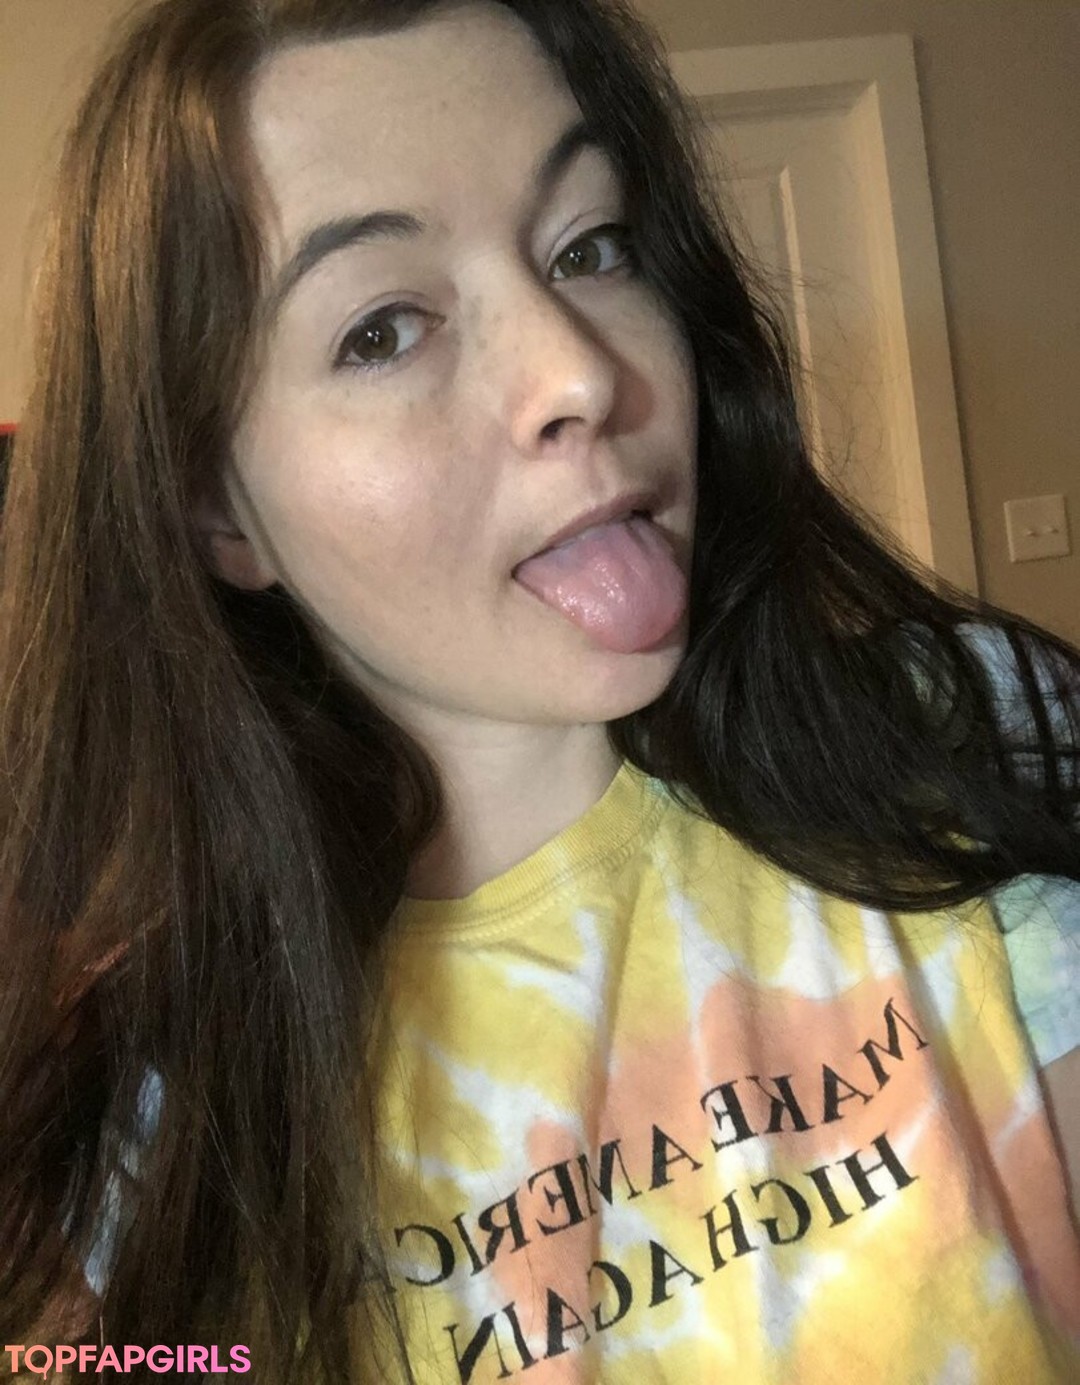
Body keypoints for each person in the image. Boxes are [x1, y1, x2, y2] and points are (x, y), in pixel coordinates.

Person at [0, 0, 1077, 1381]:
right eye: (383, 330)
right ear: (219, 509)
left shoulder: (968, 742)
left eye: (590, 246)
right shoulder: (150, 1123)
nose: (581, 370)